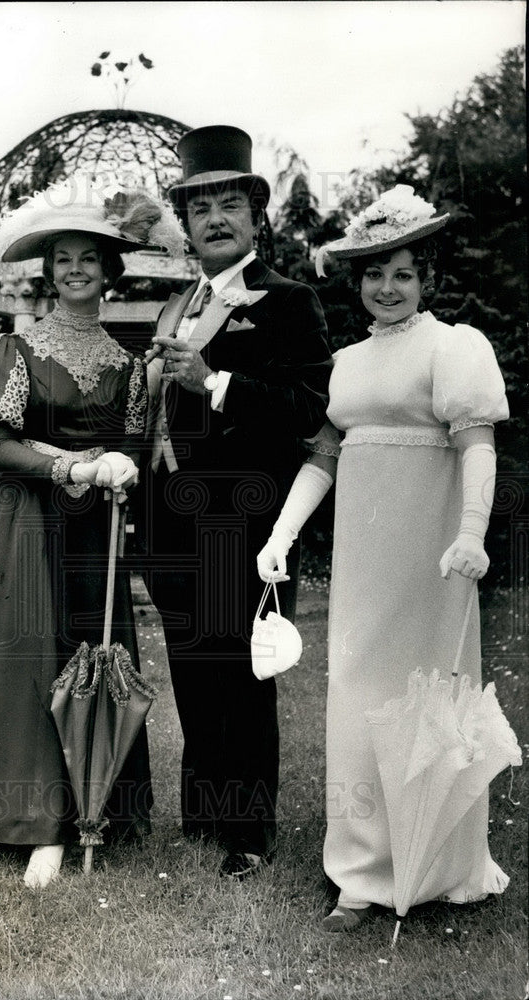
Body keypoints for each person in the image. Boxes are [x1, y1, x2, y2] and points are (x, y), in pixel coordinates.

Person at [257, 184, 511, 929]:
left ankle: (436, 862)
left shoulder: (453, 348)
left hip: (433, 556)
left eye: (403, 274)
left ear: (425, 278)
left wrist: (472, 533)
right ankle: (361, 872)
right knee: (357, 693)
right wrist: (281, 535)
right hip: (365, 560)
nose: (388, 288)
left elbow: (478, 447)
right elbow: (323, 459)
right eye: (374, 274)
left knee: (427, 695)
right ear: (358, 282)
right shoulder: (345, 364)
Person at [0, 178, 185, 889]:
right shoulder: (16, 348)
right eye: (63, 260)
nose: (76, 270)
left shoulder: (128, 363)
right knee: (34, 659)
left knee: (95, 658)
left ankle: (97, 805)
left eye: (89, 258)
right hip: (29, 524)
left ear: (109, 270)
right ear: (48, 272)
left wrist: (122, 469)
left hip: (97, 535)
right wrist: (73, 467)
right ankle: (36, 821)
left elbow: (137, 448)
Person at [144, 126, 332, 878]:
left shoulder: (288, 301)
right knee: (193, 664)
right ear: (186, 225)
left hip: (250, 518)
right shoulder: (178, 304)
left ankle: (248, 832)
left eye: (230, 205)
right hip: (172, 518)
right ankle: (204, 812)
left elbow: (309, 405)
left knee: (243, 668)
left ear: (257, 217)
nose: (215, 220)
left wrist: (215, 383)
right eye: (200, 209)